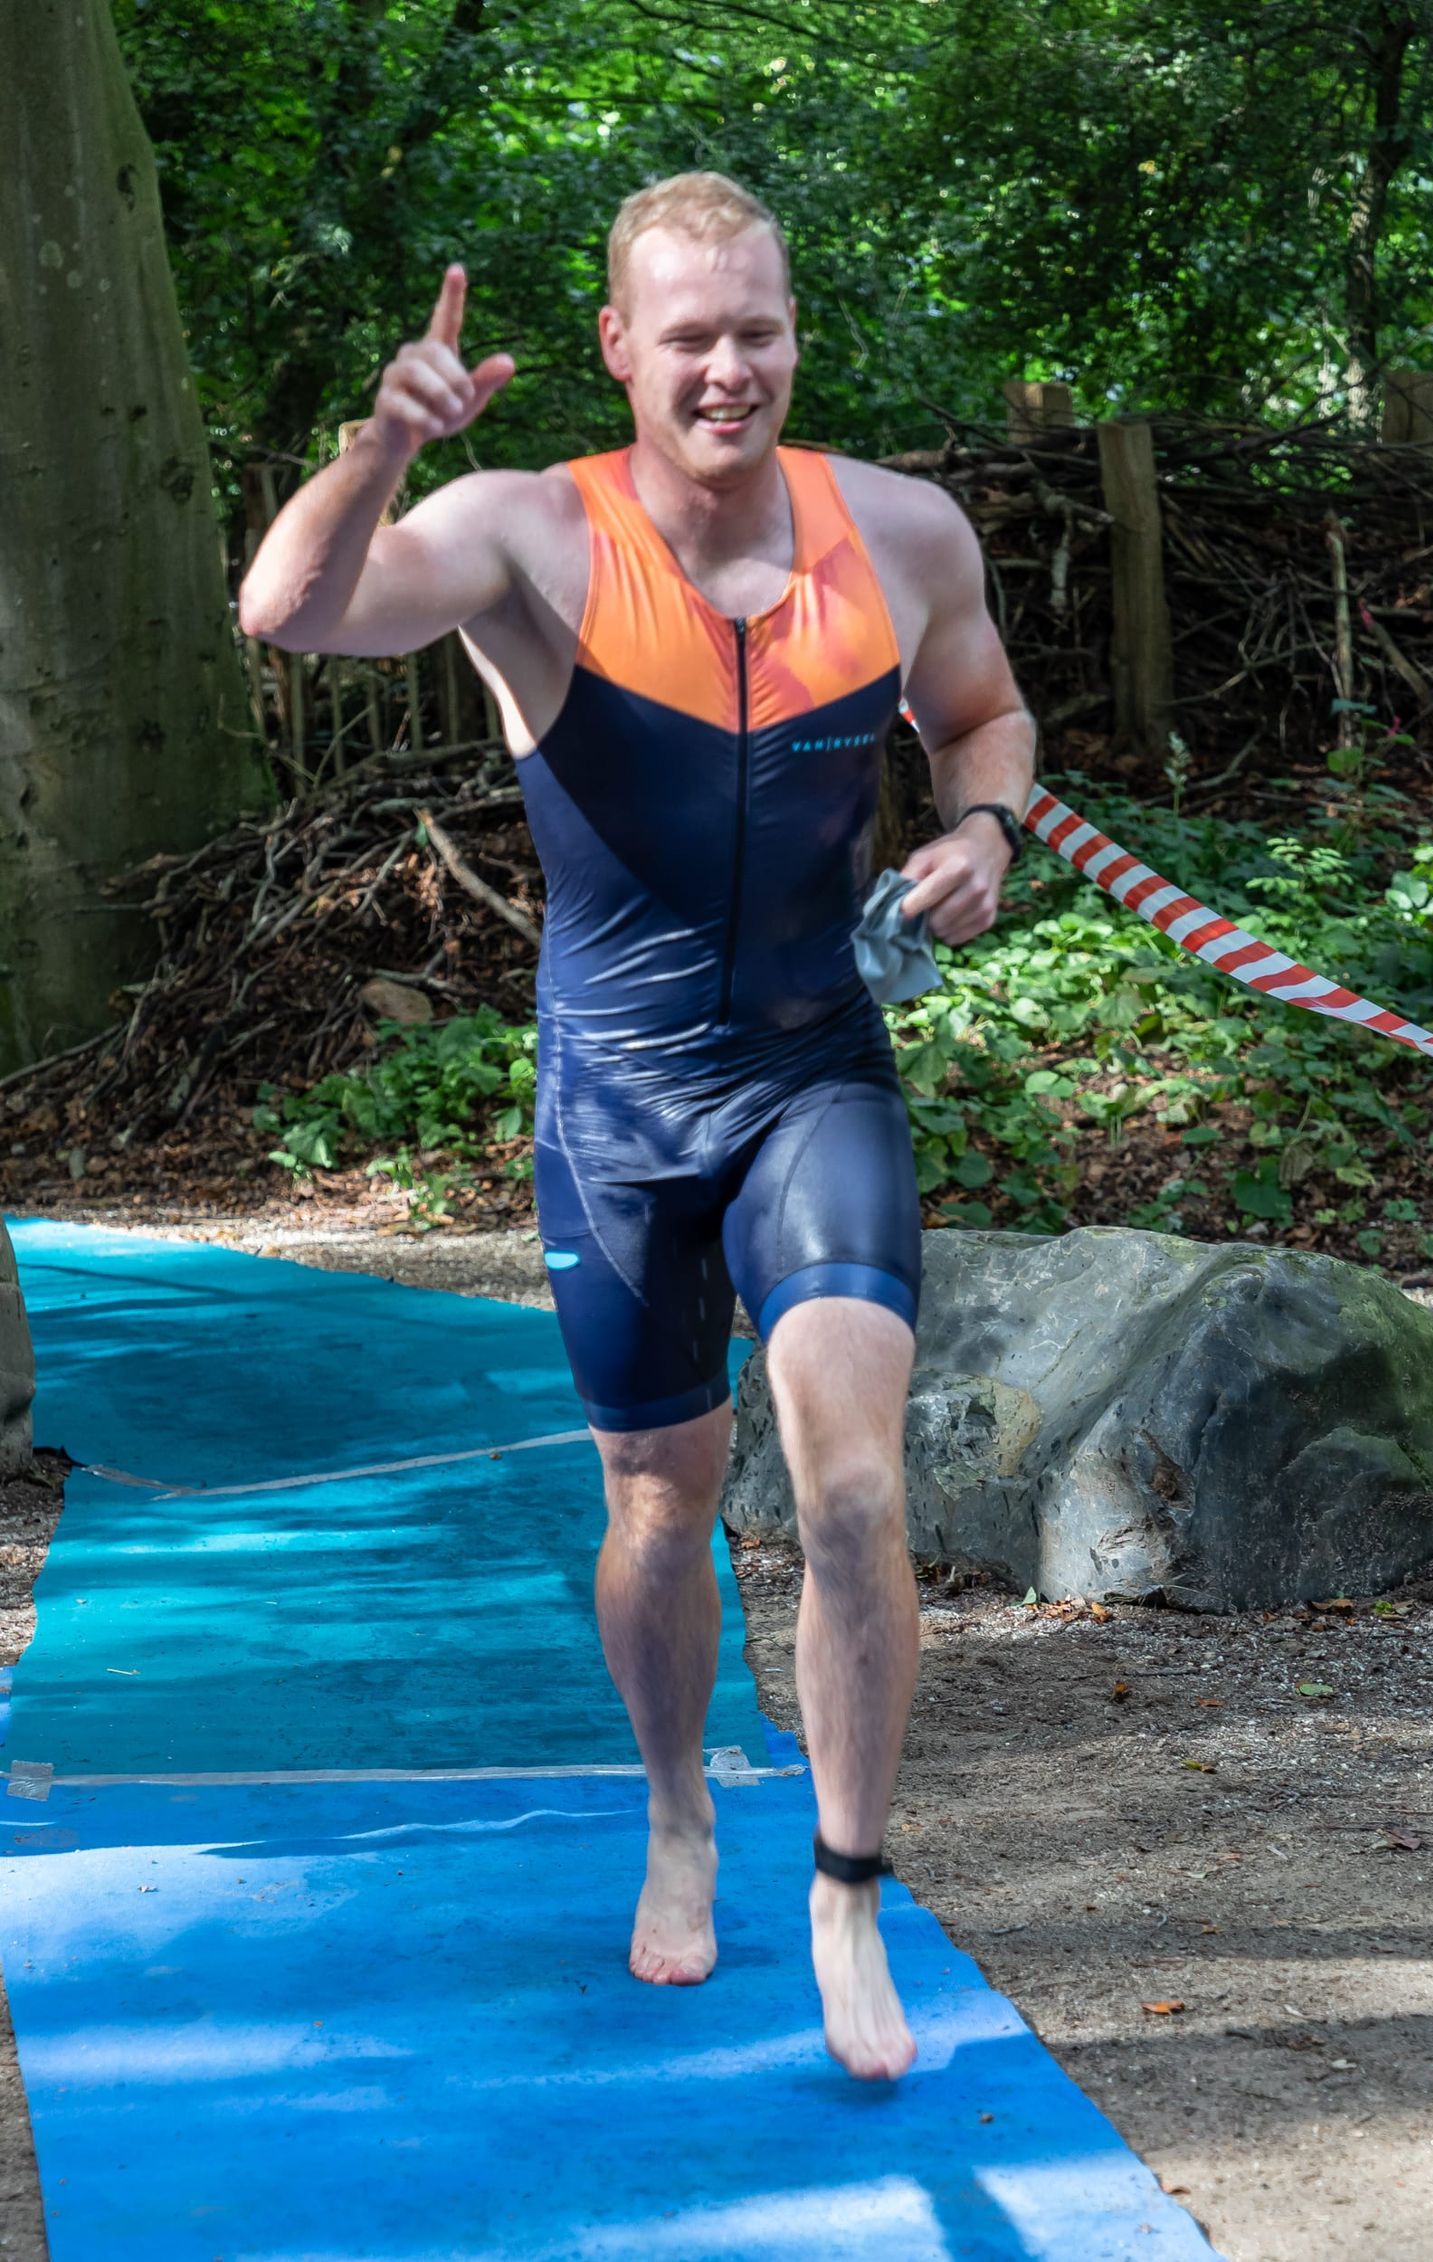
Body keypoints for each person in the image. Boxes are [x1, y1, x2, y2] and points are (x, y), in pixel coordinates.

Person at [239, 172, 1035, 2078]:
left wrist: (983, 828)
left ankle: (848, 1883)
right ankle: (680, 1804)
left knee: (849, 1479)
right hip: (616, 1103)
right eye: (688, 336)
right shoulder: (524, 532)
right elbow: (289, 609)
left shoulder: (902, 532)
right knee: (661, 1510)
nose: (729, 368)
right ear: (618, 348)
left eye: (756, 327)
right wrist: (379, 443)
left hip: (814, 1072)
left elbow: (986, 714)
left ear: (791, 329)